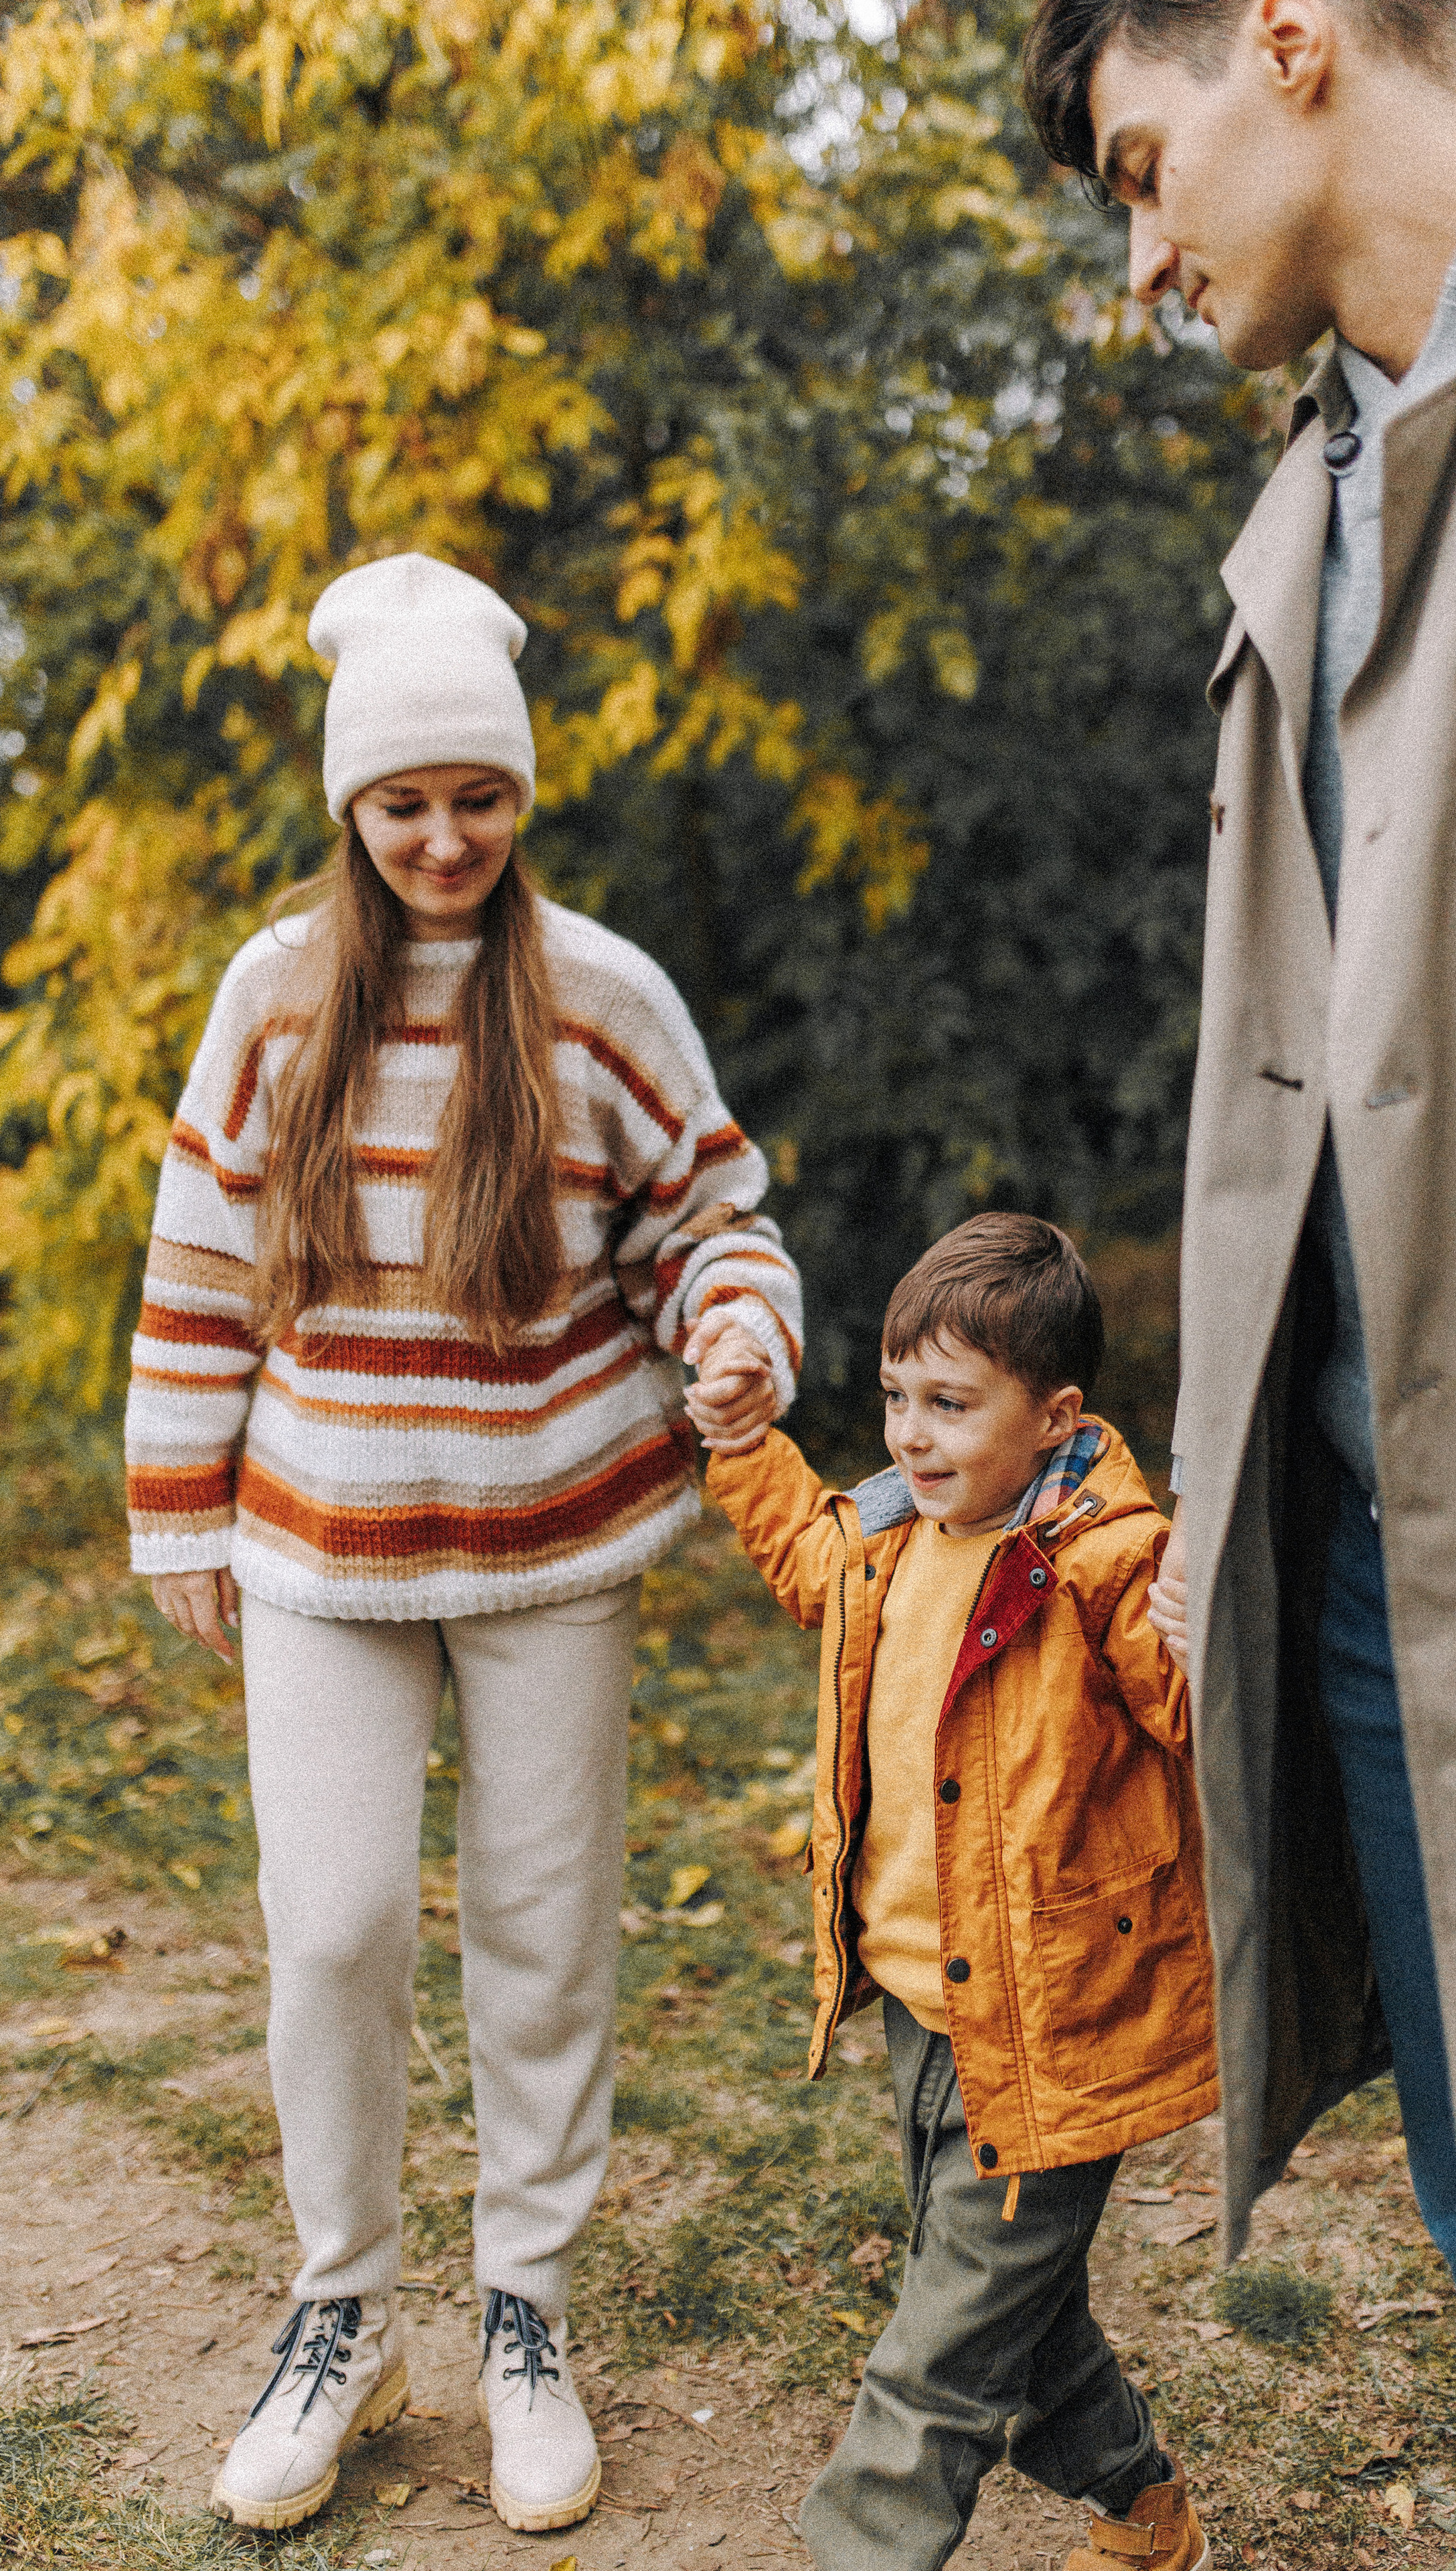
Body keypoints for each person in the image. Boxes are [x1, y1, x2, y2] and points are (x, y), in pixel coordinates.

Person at [1020, 0, 1456, 2561]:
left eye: (1135, 162)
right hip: (1372, 1611)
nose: (1142, 252)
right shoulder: (1301, 516)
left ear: (1289, 41)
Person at [123, 552, 801, 2535]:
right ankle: (345, 2314)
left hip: (552, 1536)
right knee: (332, 1932)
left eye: (477, 798)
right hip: (321, 1536)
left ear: (523, 796)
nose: (444, 838)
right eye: (405, 803)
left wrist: (737, 1335)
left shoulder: (601, 995)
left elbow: (715, 1219)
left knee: (540, 1937)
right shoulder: (274, 993)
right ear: (351, 807)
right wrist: (179, 1494)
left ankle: (527, 2317)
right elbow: (192, 1263)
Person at [688, 1213, 1216, 2571]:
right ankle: (1144, 2505)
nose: (912, 1437)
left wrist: (1198, 1636)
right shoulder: (889, 1541)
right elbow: (806, 1562)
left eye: (949, 1406)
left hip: (1053, 2026)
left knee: (939, 2351)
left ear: (1053, 1417)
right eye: (896, 1401)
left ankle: (856, 2546)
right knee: (1011, 2317)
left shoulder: (1101, 1567)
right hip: (921, 2014)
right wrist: (746, 1448)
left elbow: (1195, 1720)